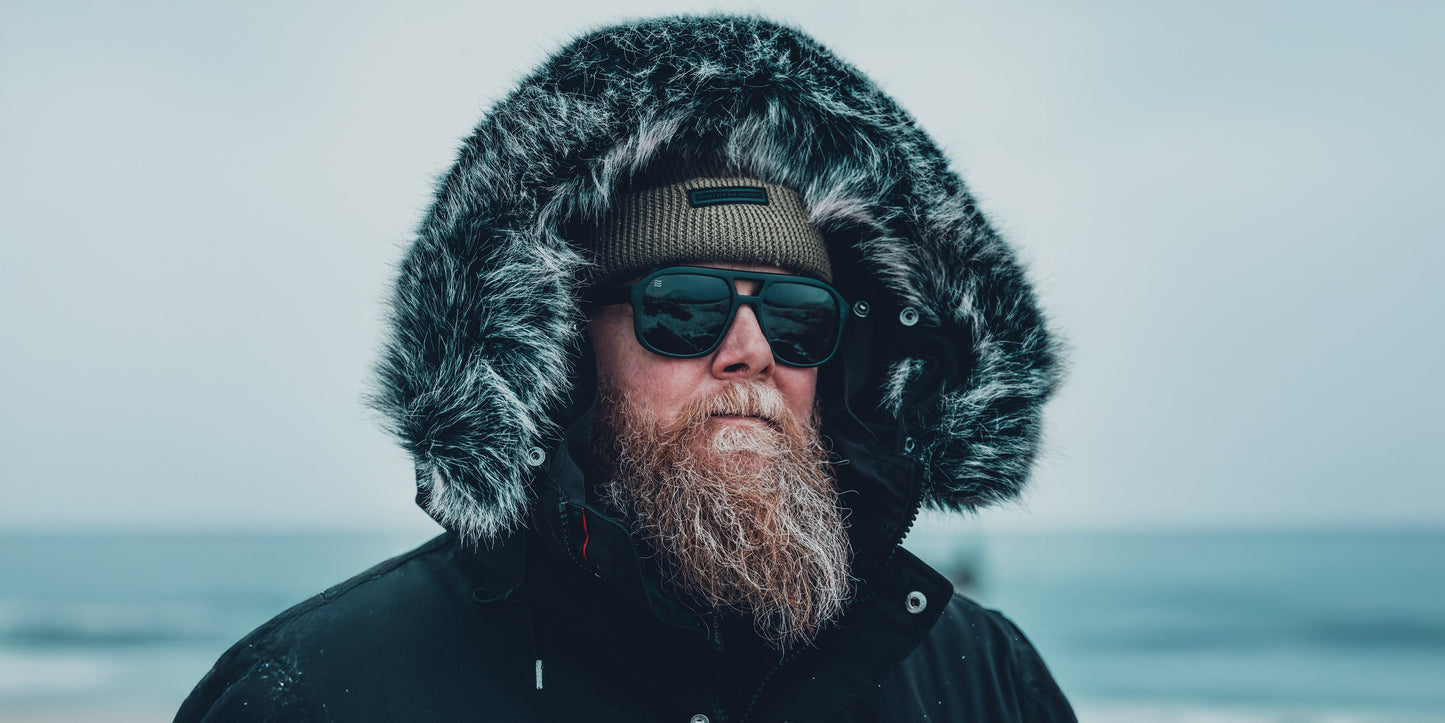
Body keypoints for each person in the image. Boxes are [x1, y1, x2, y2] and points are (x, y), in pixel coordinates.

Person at [177, 15, 1072, 722]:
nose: (752, 350)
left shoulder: (982, 677)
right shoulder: (312, 691)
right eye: (683, 309)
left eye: (800, 321)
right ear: (566, 347)